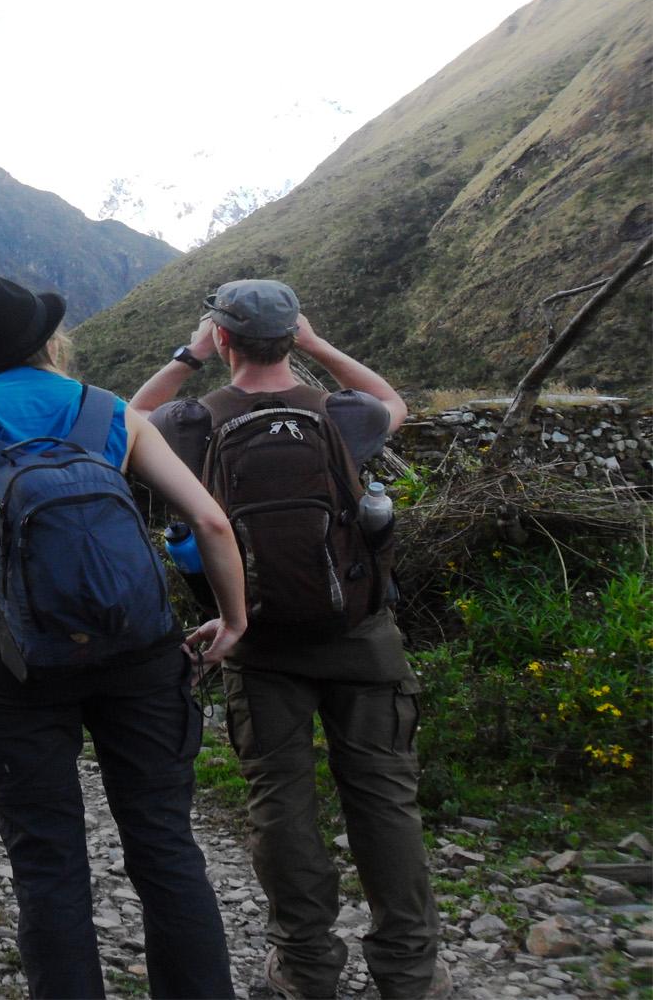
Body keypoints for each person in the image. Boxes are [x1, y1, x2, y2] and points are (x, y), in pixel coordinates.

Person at [0, 276, 247, 1000]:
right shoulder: (111, 413)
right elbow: (212, 523)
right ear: (50, 341)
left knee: (47, 865)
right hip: (141, 655)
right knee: (164, 847)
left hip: (18, 666)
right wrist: (234, 618)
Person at [129, 279, 448, 1000]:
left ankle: (305, 969)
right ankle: (411, 971)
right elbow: (395, 403)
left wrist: (188, 355)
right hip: (361, 637)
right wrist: (317, 344)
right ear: (290, 336)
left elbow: (128, 415)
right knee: (385, 801)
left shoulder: (191, 421)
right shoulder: (341, 415)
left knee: (281, 803)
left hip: (257, 638)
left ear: (225, 341)